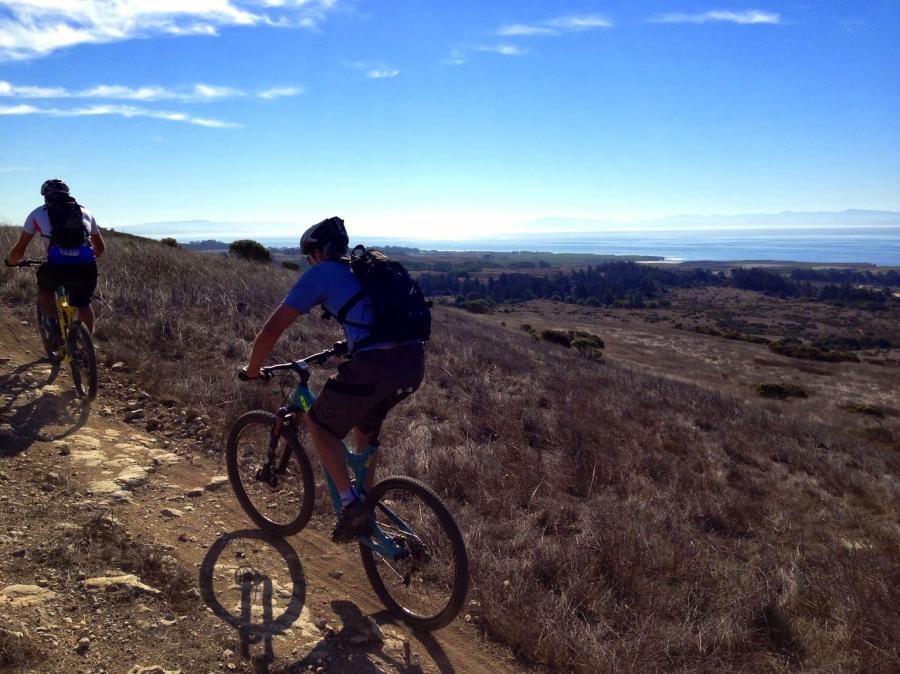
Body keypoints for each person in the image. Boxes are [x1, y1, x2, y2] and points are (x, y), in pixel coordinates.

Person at [241, 216, 426, 543]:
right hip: (412, 362)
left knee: (319, 424)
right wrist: (348, 345)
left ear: (318, 252)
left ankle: (351, 506)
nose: (309, 262)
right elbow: (371, 318)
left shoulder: (322, 273)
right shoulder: (363, 269)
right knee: (363, 427)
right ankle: (366, 498)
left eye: (308, 256)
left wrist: (253, 369)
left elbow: (271, 330)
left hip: (376, 365)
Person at [5, 179, 105, 334]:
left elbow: (20, 250)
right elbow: (100, 248)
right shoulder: (85, 211)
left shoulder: (37, 214)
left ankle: (54, 331)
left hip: (57, 266)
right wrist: (87, 255)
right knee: (83, 304)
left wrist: (11, 262)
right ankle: (85, 348)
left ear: (45, 196)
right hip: (86, 267)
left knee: (45, 291)